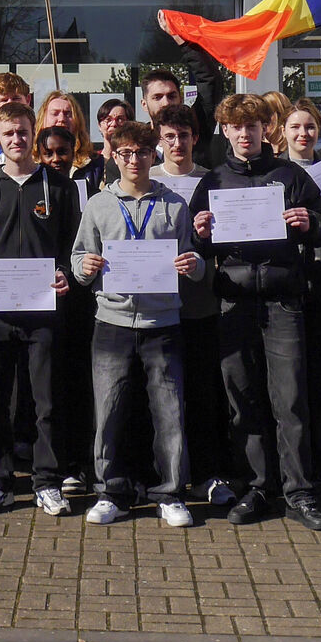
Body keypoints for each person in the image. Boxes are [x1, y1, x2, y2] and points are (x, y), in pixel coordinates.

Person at [180, 93, 321, 531]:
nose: (245, 134)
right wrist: (200, 233)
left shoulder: (290, 175)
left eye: (252, 126)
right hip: (233, 302)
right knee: (243, 399)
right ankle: (257, 487)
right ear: (225, 131)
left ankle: (299, 491)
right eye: (236, 127)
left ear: (266, 129)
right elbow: (196, 246)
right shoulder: (213, 181)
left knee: (290, 398)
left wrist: (311, 223)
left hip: (283, 300)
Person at [73, 120, 201, 527]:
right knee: (109, 411)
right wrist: (84, 267)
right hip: (111, 322)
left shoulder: (174, 205)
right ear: (113, 155)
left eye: (142, 152)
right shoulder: (98, 205)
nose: (134, 160)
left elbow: (194, 258)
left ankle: (170, 493)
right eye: (125, 153)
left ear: (152, 155)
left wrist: (194, 265)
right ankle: (111, 491)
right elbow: (78, 257)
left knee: (169, 412)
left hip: (162, 323)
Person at [0, 102, 77, 517]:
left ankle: (47, 482)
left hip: (43, 312)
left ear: (34, 134)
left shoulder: (60, 187)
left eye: (23, 132)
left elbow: (73, 245)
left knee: (47, 403)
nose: (17, 139)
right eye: (9, 133)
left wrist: (66, 273)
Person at [155, 104, 228, 505]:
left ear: (195, 138)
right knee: (160, 398)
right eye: (169, 136)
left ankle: (206, 474)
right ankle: (161, 475)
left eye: (184, 135)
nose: (177, 143)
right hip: (154, 308)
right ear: (159, 139)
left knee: (202, 394)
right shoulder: (145, 178)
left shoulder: (213, 181)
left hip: (201, 305)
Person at [36, 96, 101, 490]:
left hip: (79, 296)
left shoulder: (89, 184)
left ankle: (79, 461)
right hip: (39, 296)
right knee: (49, 385)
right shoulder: (31, 187)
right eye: (49, 153)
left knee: (79, 381)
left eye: (63, 152)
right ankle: (52, 460)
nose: (56, 159)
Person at [282, 99, 321, 485]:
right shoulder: (273, 173)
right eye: (295, 127)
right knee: (290, 384)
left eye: (309, 127)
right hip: (286, 285)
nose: (303, 134)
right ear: (283, 132)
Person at [93, 98, 131, 184]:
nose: (114, 124)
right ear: (99, 125)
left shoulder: (134, 160)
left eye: (120, 119)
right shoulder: (91, 162)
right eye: (108, 119)